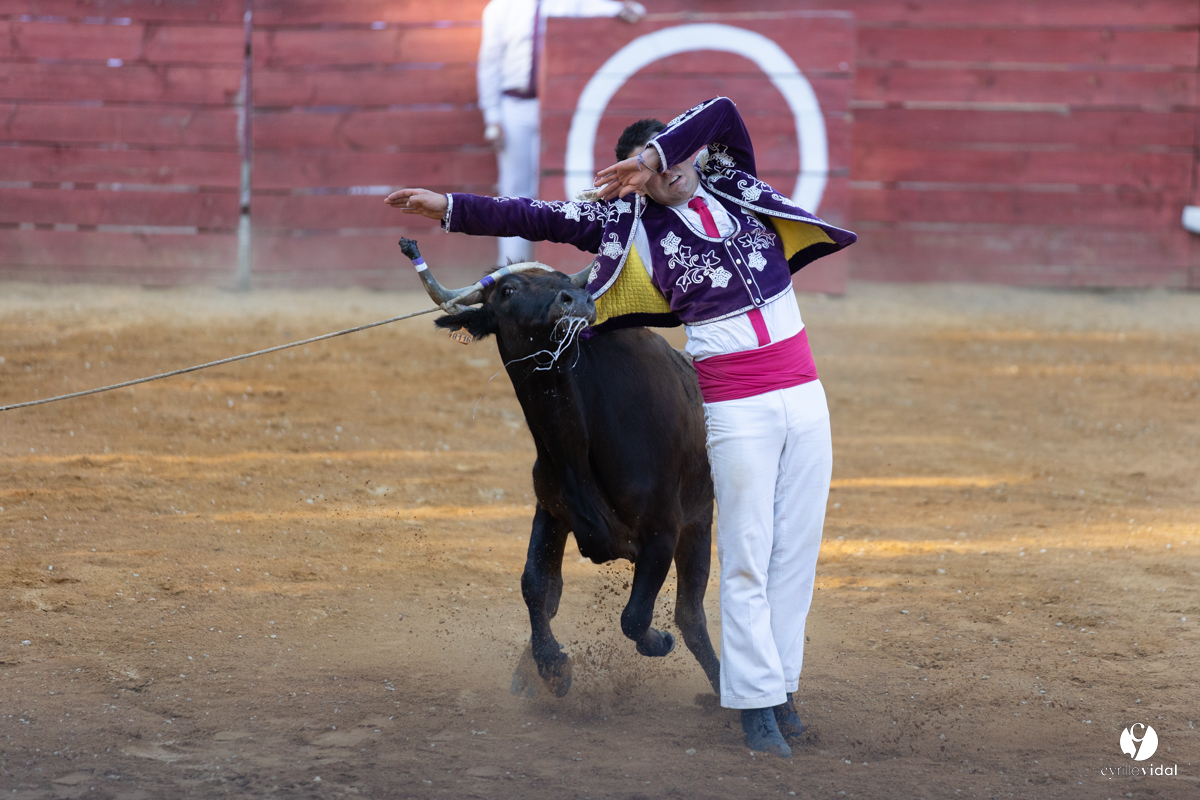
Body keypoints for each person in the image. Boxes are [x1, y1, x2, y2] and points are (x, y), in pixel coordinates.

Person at [385, 96, 856, 757]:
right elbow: (535, 215)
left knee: (794, 556)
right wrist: (450, 208)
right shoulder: (626, 225)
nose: (668, 172)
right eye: (649, 169)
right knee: (748, 557)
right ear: (632, 182)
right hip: (736, 404)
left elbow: (722, 111)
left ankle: (781, 691)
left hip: (804, 395)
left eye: (674, 157)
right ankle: (756, 709)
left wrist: (656, 153)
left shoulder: (732, 181)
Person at [477, 0, 645, 265]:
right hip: (515, 105)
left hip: (561, 106)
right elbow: (490, 62)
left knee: (555, 183)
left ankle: (556, 265)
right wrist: (493, 116)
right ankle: (511, 265)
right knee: (515, 186)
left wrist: (619, 10)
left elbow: (597, 8)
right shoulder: (501, 7)